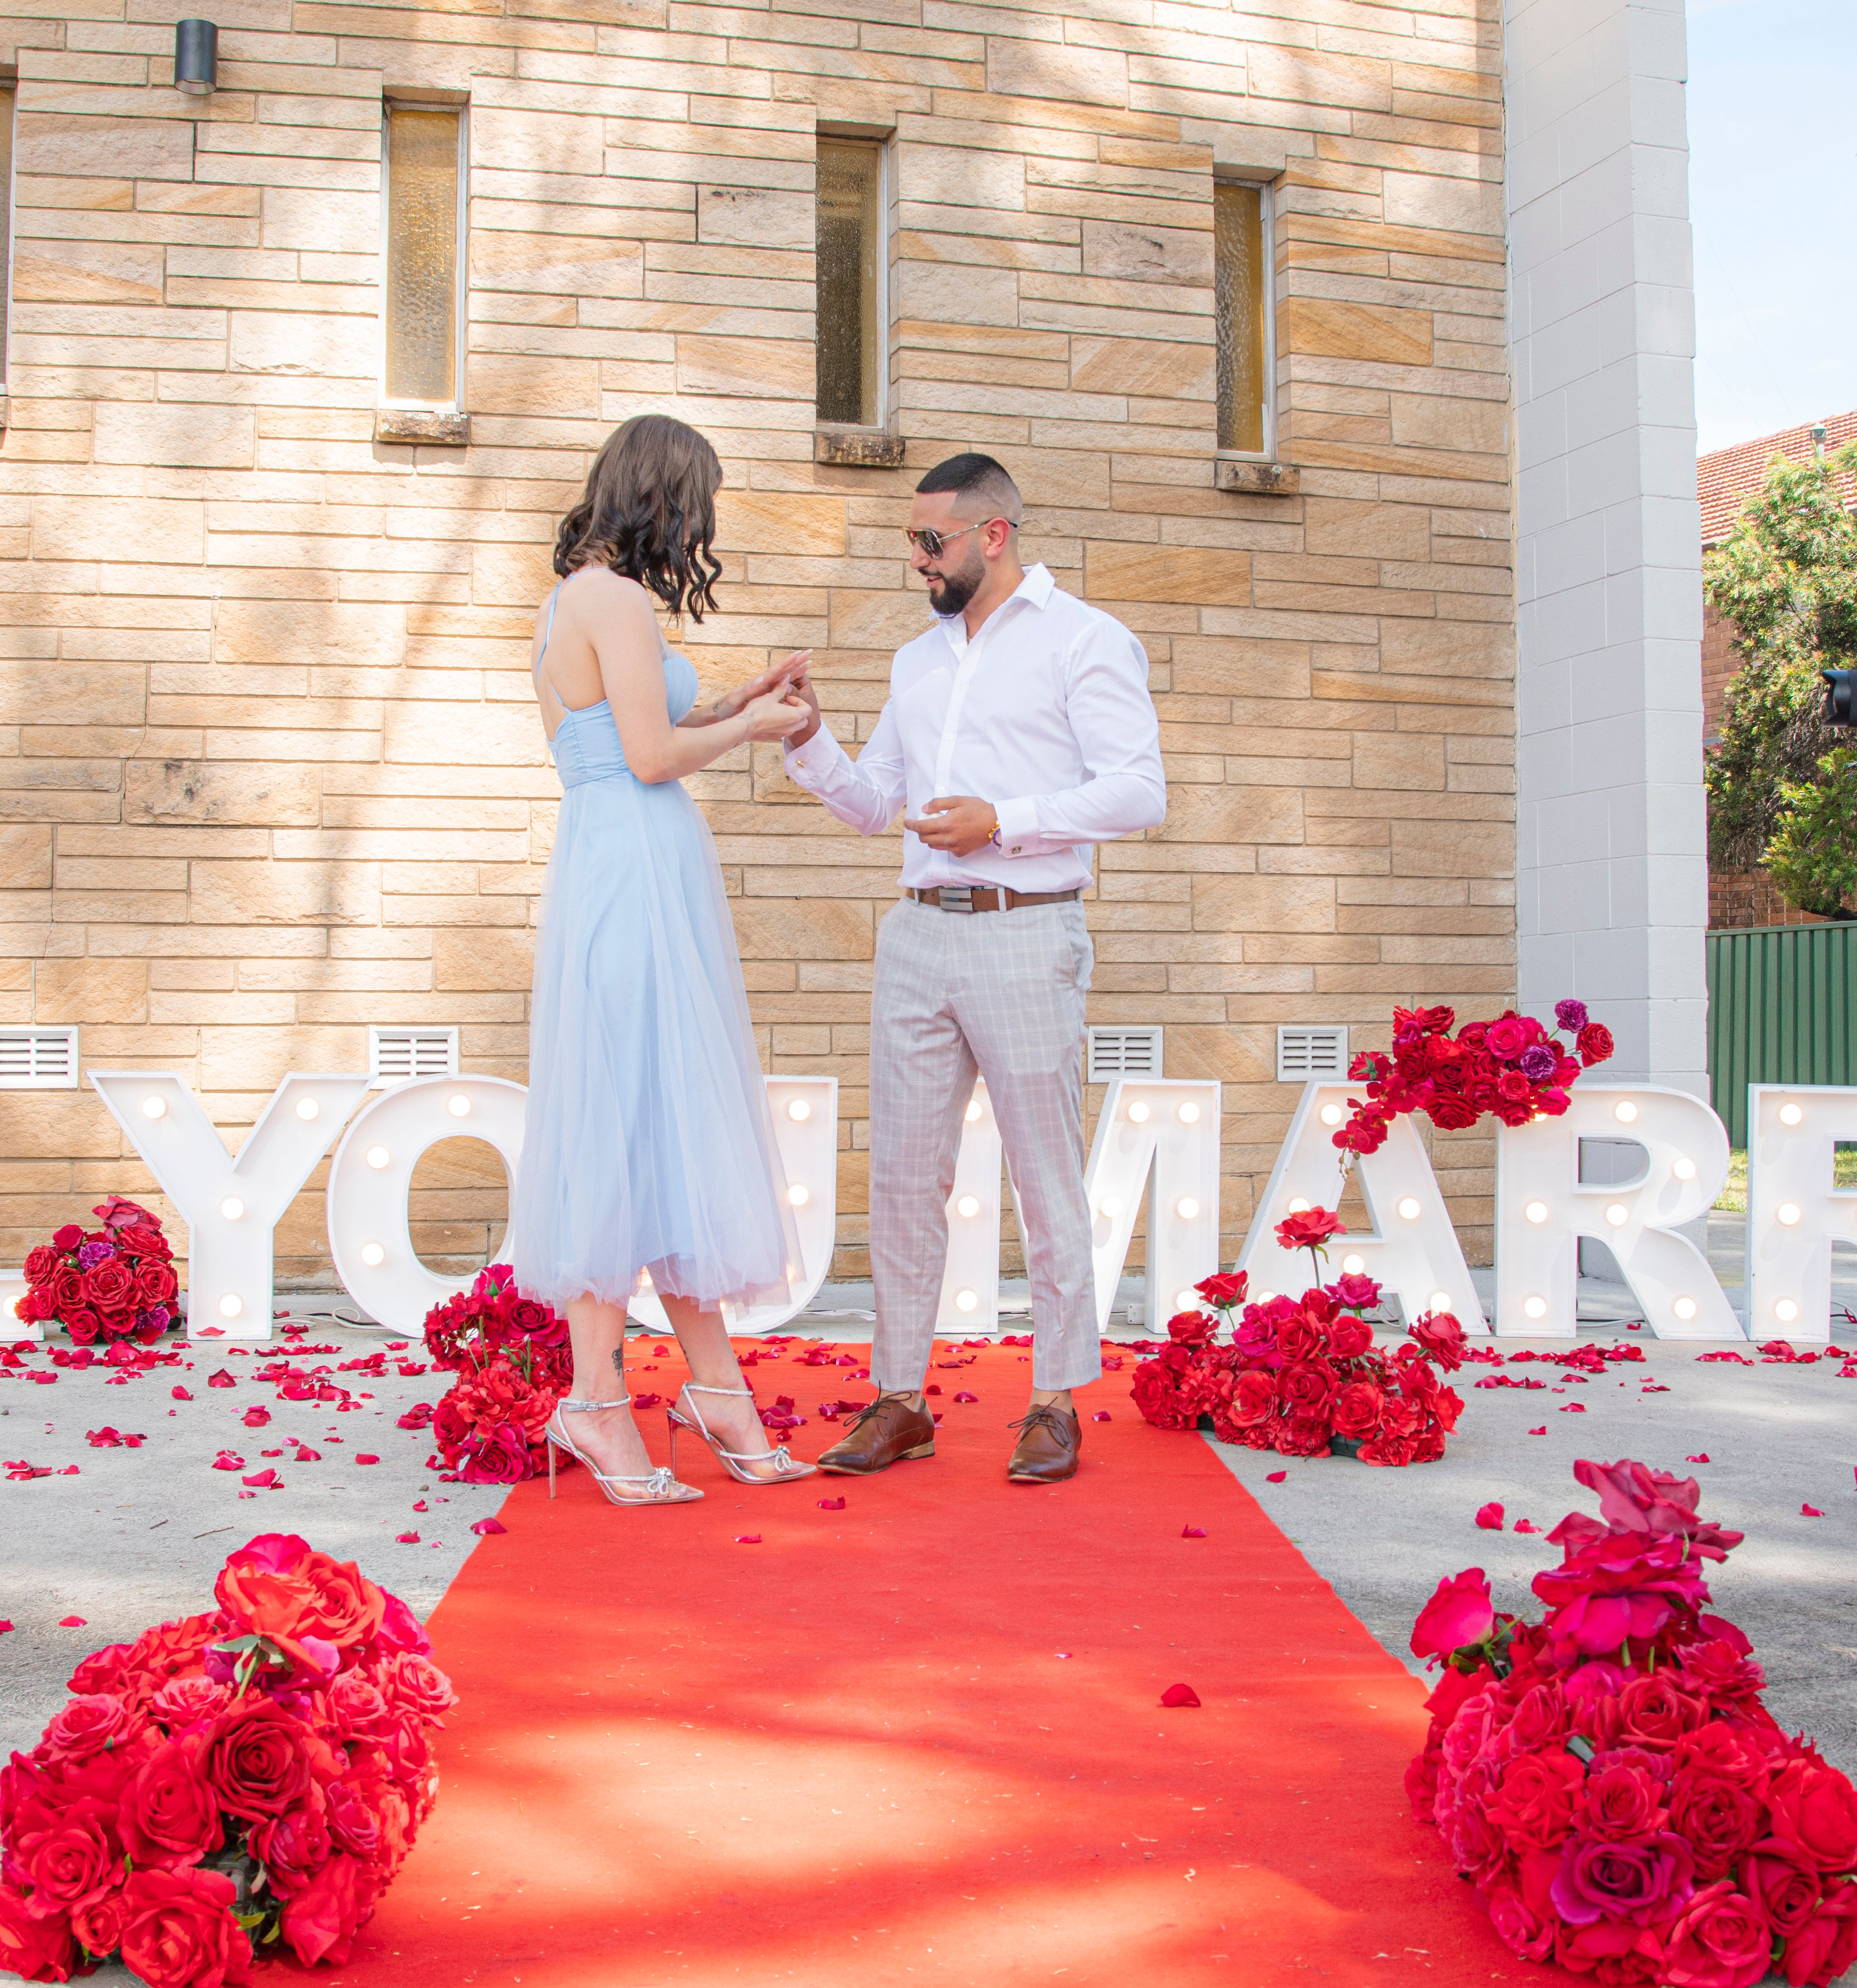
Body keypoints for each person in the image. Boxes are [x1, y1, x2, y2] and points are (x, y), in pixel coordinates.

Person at [779, 452, 1166, 1484]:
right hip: (916, 936)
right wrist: (810, 739)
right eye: (910, 540)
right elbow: (876, 805)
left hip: (1025, 927)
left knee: (1042, 1173)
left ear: (992, 535)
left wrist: (1011, 821)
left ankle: (1052, 1399)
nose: (917, 559)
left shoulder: (1084, 640)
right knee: (904, 1175)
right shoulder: (917, 661)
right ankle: (899, 1398)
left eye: (930, 541)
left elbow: (1138, 790)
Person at [511, 413, 820, 1507]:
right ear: (668, 498)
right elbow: (649, 756)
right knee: (645, 1117)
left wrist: (738, 702)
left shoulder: (576, 598)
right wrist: (744, 732)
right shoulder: (618, 598)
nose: (703, 524)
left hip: (617, 862)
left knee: (641, 1122)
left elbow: (631, 729)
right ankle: (607, 1397)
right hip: (635, 868)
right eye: (700, 501)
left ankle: (675, 1389)